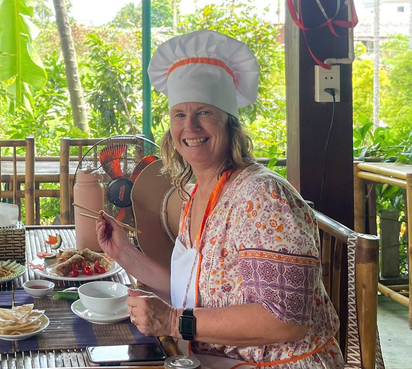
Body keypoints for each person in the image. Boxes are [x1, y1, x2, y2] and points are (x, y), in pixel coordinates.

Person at [95, 30, 343, 369]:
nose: (190, 127)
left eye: (205, 113)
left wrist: (172, 321)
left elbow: (284, 321)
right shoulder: (199, 192)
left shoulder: (264, 197)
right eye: (179, 115)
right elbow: (196, 290)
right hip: (215, 359)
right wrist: (123, 252)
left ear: (230, 124)